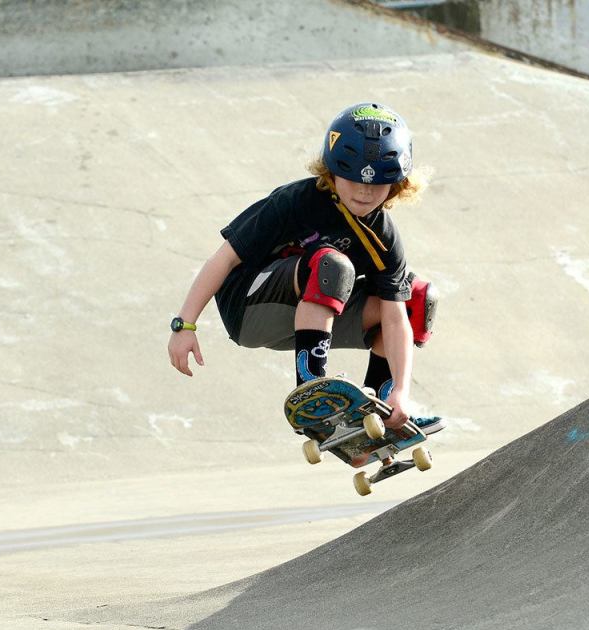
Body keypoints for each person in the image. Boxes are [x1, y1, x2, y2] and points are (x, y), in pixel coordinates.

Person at [168, 102, 441, 438]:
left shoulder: (383, 236)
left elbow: (395, 319)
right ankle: (313, 392)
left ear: (398, 184)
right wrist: (184, 325)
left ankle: (380, 411)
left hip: (311, 316)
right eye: (352, 178)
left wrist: (402, 392)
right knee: (332, 264)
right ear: (331, 172)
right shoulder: (295, 201)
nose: (364, 191)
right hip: (250, 306)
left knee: (414, 298)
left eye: (378, 183)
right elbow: (223, 259)